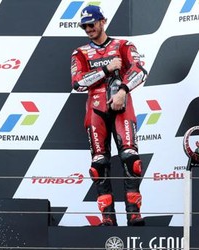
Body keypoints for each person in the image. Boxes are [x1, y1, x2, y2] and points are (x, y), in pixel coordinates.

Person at [70, 5, 148, 226]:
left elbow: (140, 70)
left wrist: (123, 90)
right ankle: (107, 218)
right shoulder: (80, 53)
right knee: (99, 164)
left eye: (91, 24)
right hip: (95, 110)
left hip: (121, 107)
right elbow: (77, 83)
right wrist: (105, 70)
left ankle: (134, 213)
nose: (88, 28)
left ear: (102, 21)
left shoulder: (123, 45)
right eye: (84, 25)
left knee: (131, 158)